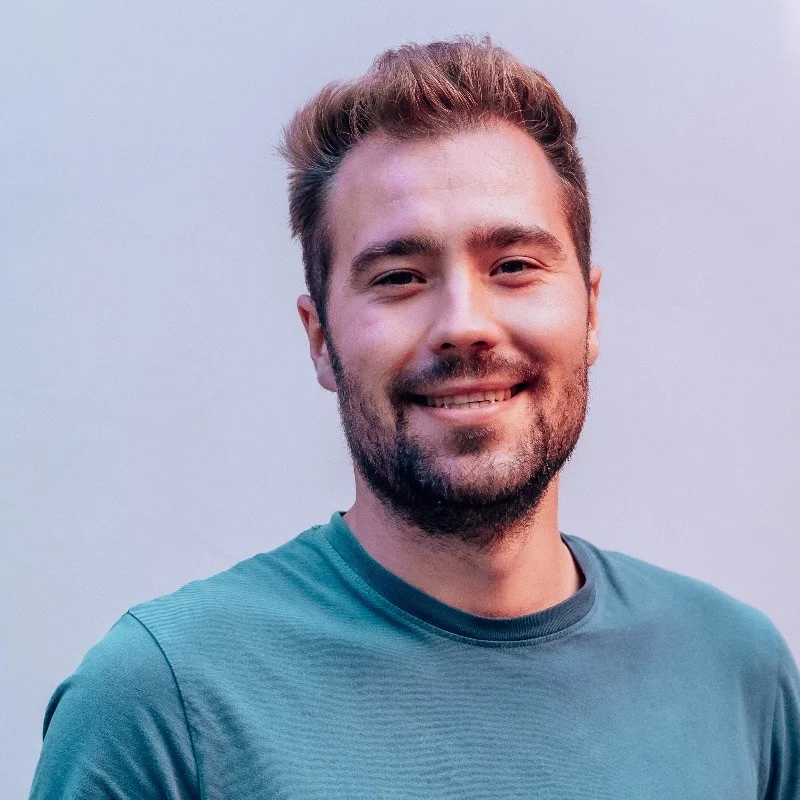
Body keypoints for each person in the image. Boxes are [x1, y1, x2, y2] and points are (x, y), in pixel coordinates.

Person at [30, 37, 799, 799]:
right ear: (320, 340)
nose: (464, 325)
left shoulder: (738, 673)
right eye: (399, 277)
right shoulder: (164, 706)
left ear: (590, 313)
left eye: (514, 266)